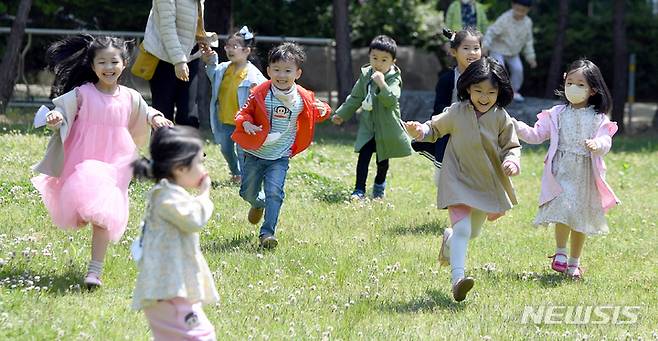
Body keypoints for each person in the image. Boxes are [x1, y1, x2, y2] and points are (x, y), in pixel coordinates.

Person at [31, 35, 172, 289]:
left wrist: (157, 117)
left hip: (116, 163)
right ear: (93, 65)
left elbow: (146, 110)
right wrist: (55, 116)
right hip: (83, 157)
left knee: (103, 216)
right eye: (102, 62)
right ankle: (83, 220)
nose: (109, 68)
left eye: (114, 62)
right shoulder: (83, 93)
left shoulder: (130, 96)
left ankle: (94, 272)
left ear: (124, 63)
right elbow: (63, 110)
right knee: (85, 207)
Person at [404, 57, 521, 302]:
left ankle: (449, 239)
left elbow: (512, 146)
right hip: (456, 178)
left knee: (471, 232)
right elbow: (434, 128)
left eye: (491, 91)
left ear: (500, 92)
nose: (484, 97)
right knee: (464, 228)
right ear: (468, 88)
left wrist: (512, 160)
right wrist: (420, 131)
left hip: (485, 183)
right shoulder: (457, 111)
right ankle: (458, 280)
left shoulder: (501, 117)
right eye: (478, 90)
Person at [512, 59, 619, 279]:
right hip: (561, 171)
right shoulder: (556, 114)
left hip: (585, 174)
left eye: (580, 85)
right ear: (564, 81)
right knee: (562, 210)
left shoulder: (598, 118)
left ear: (593, 90)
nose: (574, 88)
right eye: (570, 82)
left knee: (580, 218)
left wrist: (597, 145)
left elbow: (605, 141)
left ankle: (574, 263)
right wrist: (516, 126)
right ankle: (560, 253)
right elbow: (536, 135)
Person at [231, 42, 331, 249]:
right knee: (247, 193)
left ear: (298, 73)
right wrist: (246, 122)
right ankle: (257, 203)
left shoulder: (302, 96)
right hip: (254, 153)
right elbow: (244, 112)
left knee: (275, 193)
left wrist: (324, 110)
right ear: (268, 71)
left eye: (287, 71)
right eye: (276, 70)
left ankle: (267, 233)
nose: (282, 75)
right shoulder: (261, 92)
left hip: (279, 156)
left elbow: (318, 111)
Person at [131, 126, 218, 341]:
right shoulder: (166, 197)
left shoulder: (169, 194)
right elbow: (195, 218)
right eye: (199, 162)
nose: (202, 168)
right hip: (168, 291)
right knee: (200, 336)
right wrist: (204, 194)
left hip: (170, 290)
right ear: (179, 168)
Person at [331, 35, 413, 200]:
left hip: (387, 126)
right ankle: (359, 190)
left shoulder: (394, 78)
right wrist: (342, 114)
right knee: (364, 156)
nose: (378, 63)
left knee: (382, 161)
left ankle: (379, 187)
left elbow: (391, 100)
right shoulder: (366, 74)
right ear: (369, 56)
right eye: (374, 58)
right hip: (369, 126)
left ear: (393, 62)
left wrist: (382, 84)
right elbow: (355, 97)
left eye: (384, 60)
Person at [412, 28, 483, 193]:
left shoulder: (487, 77)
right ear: (454, 52)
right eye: (466, 48)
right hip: (450, 131)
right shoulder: (447, 79)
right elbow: (438, 108)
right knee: (441, 175)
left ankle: (471, 200)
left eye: (476, 48)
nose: (472, 52)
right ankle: (449, 196)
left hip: (478, 131)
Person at [202, 26, 266, 184]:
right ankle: (235, 171)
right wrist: (211, 60)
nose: (230, 50)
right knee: (225, 148)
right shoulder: (224, 69)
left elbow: (265, 90)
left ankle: (245, 178)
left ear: (246, 51)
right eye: (228, 46)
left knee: (242, 150)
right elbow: (212, 75)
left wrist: (256, 93)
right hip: (224, 119)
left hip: (243, 122)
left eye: (234, 47)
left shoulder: (253, 75)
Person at [143, 0, 216, 127]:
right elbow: (167, 26)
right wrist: (179, 61)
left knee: (189, 116)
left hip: (190, 58)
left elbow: (190, 24)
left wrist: (201, 40)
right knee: (163, 116)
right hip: (163, 58)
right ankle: (163, 147)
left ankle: (188, 147)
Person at [482, 0, 536, 102]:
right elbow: (491, 32)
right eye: (517, 9)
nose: (519, 13)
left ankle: (513, 91)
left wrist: (530, 57)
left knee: (518, 69)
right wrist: (485, 46)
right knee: (499, 68)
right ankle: (497, 91)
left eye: (523, 11)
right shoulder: (505, 18)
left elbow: (528, 41)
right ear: (513, 5)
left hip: (513, 52)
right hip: (498, 49)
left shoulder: (528, 22)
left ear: (528, 10)